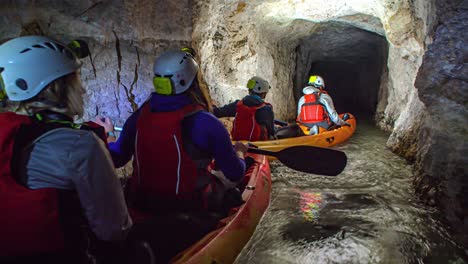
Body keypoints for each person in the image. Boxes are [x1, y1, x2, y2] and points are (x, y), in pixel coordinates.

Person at [95, 50, 248, 262]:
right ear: (191, 81)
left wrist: (109, 135)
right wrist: (240, 152)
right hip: (189, 211)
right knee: (228, 189)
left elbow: (117, 157)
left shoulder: (140, 116)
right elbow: (234, 173)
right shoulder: (206, 122)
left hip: (142, 207)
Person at [0, 36, 132, 263]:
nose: (82, 90)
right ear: (56, 87)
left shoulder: (9, 135)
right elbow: (113, 229)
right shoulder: (80, 145)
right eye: (75, 80)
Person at [213, 76, 275, 141]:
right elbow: (271, 132)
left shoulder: (238, 105)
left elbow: (218, 112)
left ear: (249, 91)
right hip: (258, 145)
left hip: (238, 143)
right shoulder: (266, 108)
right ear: (263, 94)